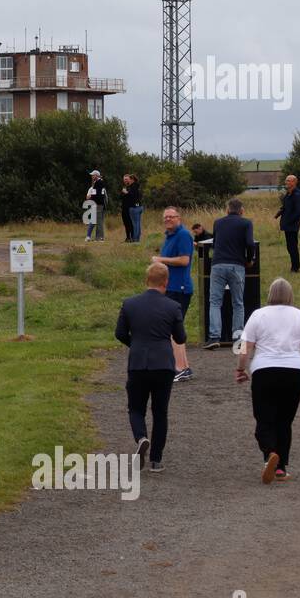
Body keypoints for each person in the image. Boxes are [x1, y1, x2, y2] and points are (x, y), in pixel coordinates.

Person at [235, 278, 300, 484]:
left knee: (263, 417)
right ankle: (280, 468)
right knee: (284, 421)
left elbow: (245, 347)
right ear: (290, 295)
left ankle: (269, 454)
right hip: (294, 372)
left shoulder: (258, 315)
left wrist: (241, 368)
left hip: (265, 371)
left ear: (270, 294)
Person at [115, 263, 186, 473]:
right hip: (163, 364)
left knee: (136, 408)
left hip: (138, 363)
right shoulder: (173, 307)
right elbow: (181, 337)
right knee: (160, 412)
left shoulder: (129, 304)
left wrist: (136, 344)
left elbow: (119, 333)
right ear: (166, 282)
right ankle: (156, 460)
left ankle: (141, 437)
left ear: (147, 280)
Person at [153, 206, 194, 381]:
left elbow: (184, 260)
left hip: (180, 288)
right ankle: (184, 366)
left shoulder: (183, 235)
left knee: (171, 329)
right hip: (170, 287)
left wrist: (160, 260)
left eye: (171, 216)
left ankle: (179, 368)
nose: (168, 219)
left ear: (179, 218)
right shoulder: (169, 236)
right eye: (166, 217)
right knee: (175, 328)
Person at [206, 198, 254, 349]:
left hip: (218, 264)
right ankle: (238, 337)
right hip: (236, 265)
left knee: (215, 302)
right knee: (238, 302)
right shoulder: (246, 223)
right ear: (241, 210)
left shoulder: (218, 222)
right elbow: (250, 243)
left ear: (227, 210)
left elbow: (214, 243)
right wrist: (249, 259)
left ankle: (214, 336)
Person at [274, 174, 300, 273]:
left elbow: (299, 212)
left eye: (288, 181)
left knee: (292, 246)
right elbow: (285, 206)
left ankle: (296, 268)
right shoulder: (288, 193)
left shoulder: (297, 194)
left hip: (293, 225)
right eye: (286, 180)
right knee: (290, 246)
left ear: (294, 182)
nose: (286, 182)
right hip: (287, 225)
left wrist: (289, 221)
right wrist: (278, 214)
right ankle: (295, 266)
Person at [122, 174, 143, 243]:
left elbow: (132, 196)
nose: (128, 181)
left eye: (129, 179)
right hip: (139, 206)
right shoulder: (138, 186)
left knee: (135, 224)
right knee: (138, 224)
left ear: (132, 180)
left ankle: (135, 239)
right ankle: (137, 238)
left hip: (134, 207)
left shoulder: (133, 186)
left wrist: (126, 192)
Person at [88, 170, 107, 241]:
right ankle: (98, 237)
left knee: (99, 221)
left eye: (93, 175)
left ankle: (100, 237)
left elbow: (98, 194)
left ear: (96, 175)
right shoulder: (100, 182)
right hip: (100, 204)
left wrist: (91, 197)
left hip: (98, 204)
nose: (92, 176)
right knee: (100, 221)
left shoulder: (98, 183)